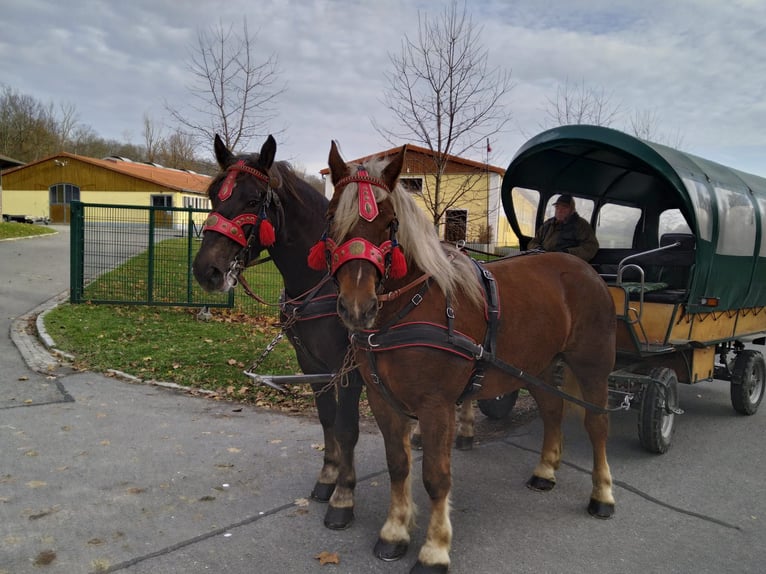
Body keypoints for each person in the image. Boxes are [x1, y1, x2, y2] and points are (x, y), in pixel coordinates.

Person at [527, 194, 599, 261]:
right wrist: (538, 250)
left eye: (564, 207)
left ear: (572, 210)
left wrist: (567, 252)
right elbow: (533, 242)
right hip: (543, 259)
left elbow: (591, 247)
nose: (559, 211)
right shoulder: (548, 224)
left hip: (567, 263)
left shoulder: (581, 225)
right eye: (557, 207)